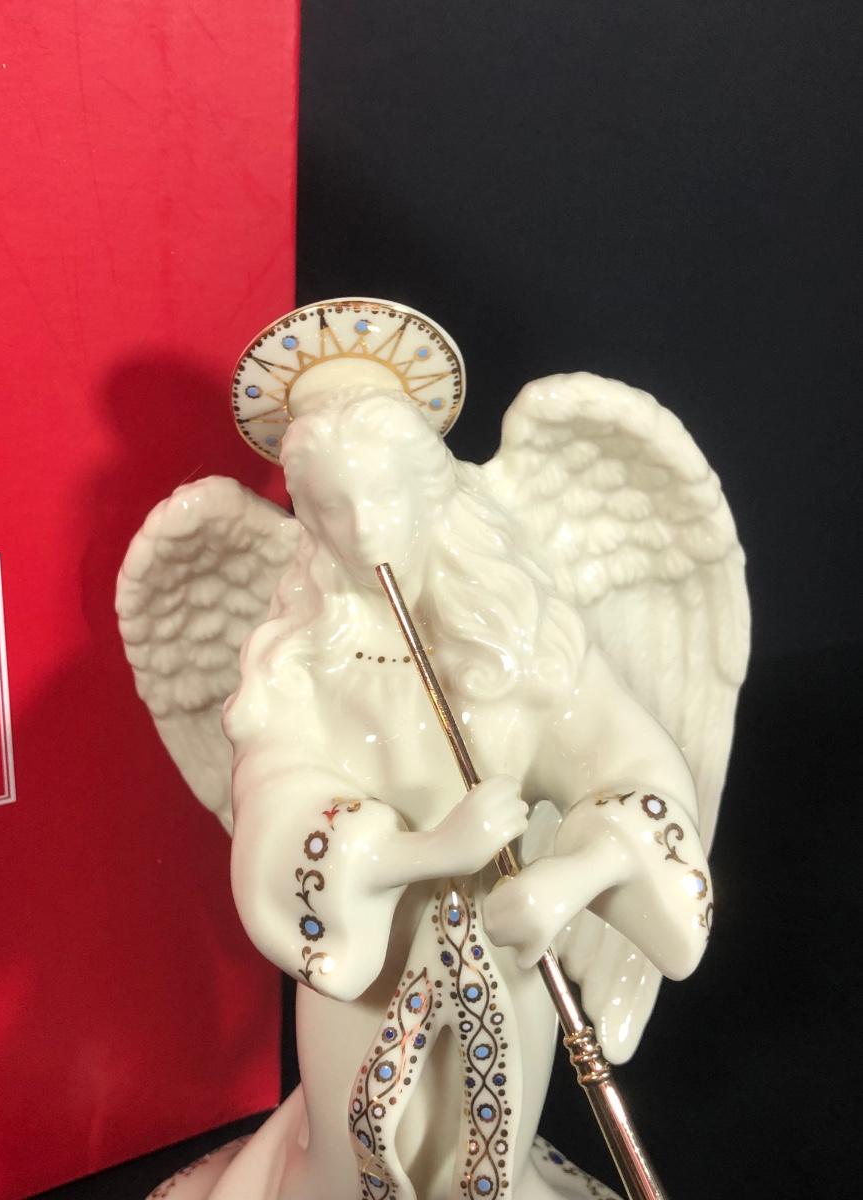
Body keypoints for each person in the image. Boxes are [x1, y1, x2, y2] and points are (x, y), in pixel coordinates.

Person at [218, 385, 709, 1200]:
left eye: (384, 496)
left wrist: (571, 879)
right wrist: (424, 851)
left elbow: (637, 775)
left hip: (509, 950)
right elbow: (275, 808)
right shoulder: (303, 660)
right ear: (310, 518)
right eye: (334, 508)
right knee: (357, 1151)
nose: (363, 529)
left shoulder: (519, 641)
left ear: (429, 490)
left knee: (487, 1156)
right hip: (367, 981)